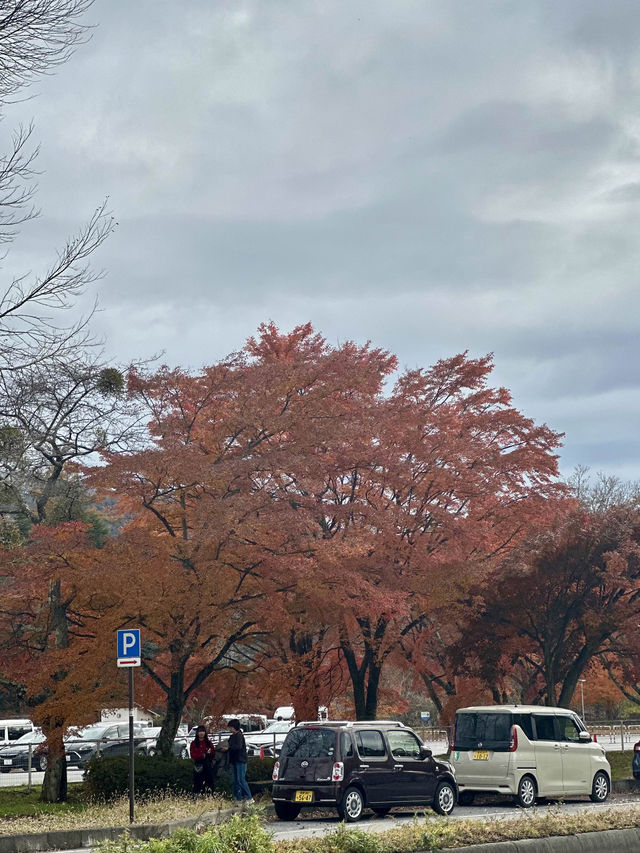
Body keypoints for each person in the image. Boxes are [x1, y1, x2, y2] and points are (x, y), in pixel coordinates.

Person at [227, 718, 254, 804]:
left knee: (241, 779)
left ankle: (249, 797)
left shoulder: (239, 736)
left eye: (230, 727)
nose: (229, 729)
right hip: (234, 760)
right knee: (235, 780)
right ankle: (238, 798)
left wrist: (228, 748)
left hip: (241, 760)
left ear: (234, 727)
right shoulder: (232, 736)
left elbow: (238, 747)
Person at [189, 724, 216, 796]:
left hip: (207, 763)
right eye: (200, 731)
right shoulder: (194, 743)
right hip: (198, 765)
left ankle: (209, 795)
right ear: (197, 733)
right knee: (198, 781)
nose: (201, 733)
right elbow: (193, 755)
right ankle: (197, 796)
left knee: (209, 781)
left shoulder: (208, 742)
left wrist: (209, 753)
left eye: (203, 731)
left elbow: (213, 752)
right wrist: (202, 755)